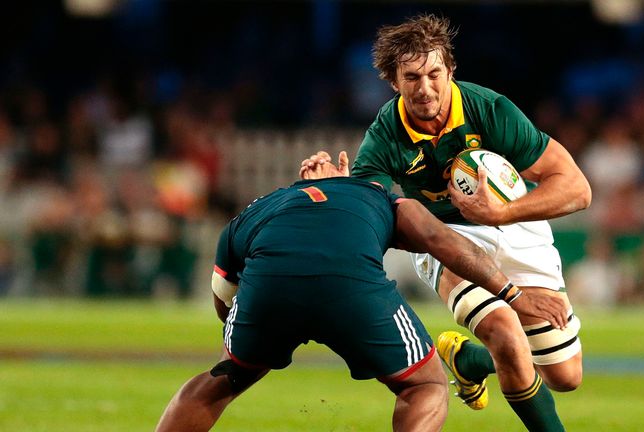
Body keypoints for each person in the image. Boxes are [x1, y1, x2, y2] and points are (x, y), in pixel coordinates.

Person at [301, 14, 591, 431]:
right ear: (393, 81)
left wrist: (502, 212)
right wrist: (341, 193)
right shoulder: (384, 139)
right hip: (444, 238)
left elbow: (578, 189)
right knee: (505, 331)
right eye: (412, 76)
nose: (425, 88)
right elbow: (374, 216)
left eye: (434, 73)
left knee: (565, 376)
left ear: (450, 71)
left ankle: (466, 359)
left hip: (516, 227)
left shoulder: (489, 110)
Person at [155, 157, 568, 432]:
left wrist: (245, 347)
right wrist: (514, 295)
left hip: (269, 285)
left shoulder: (256, 209)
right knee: (425, 386)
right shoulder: (375, 195)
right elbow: (443, 242)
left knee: (222, 379)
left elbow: (222, 295)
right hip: (351, 284)